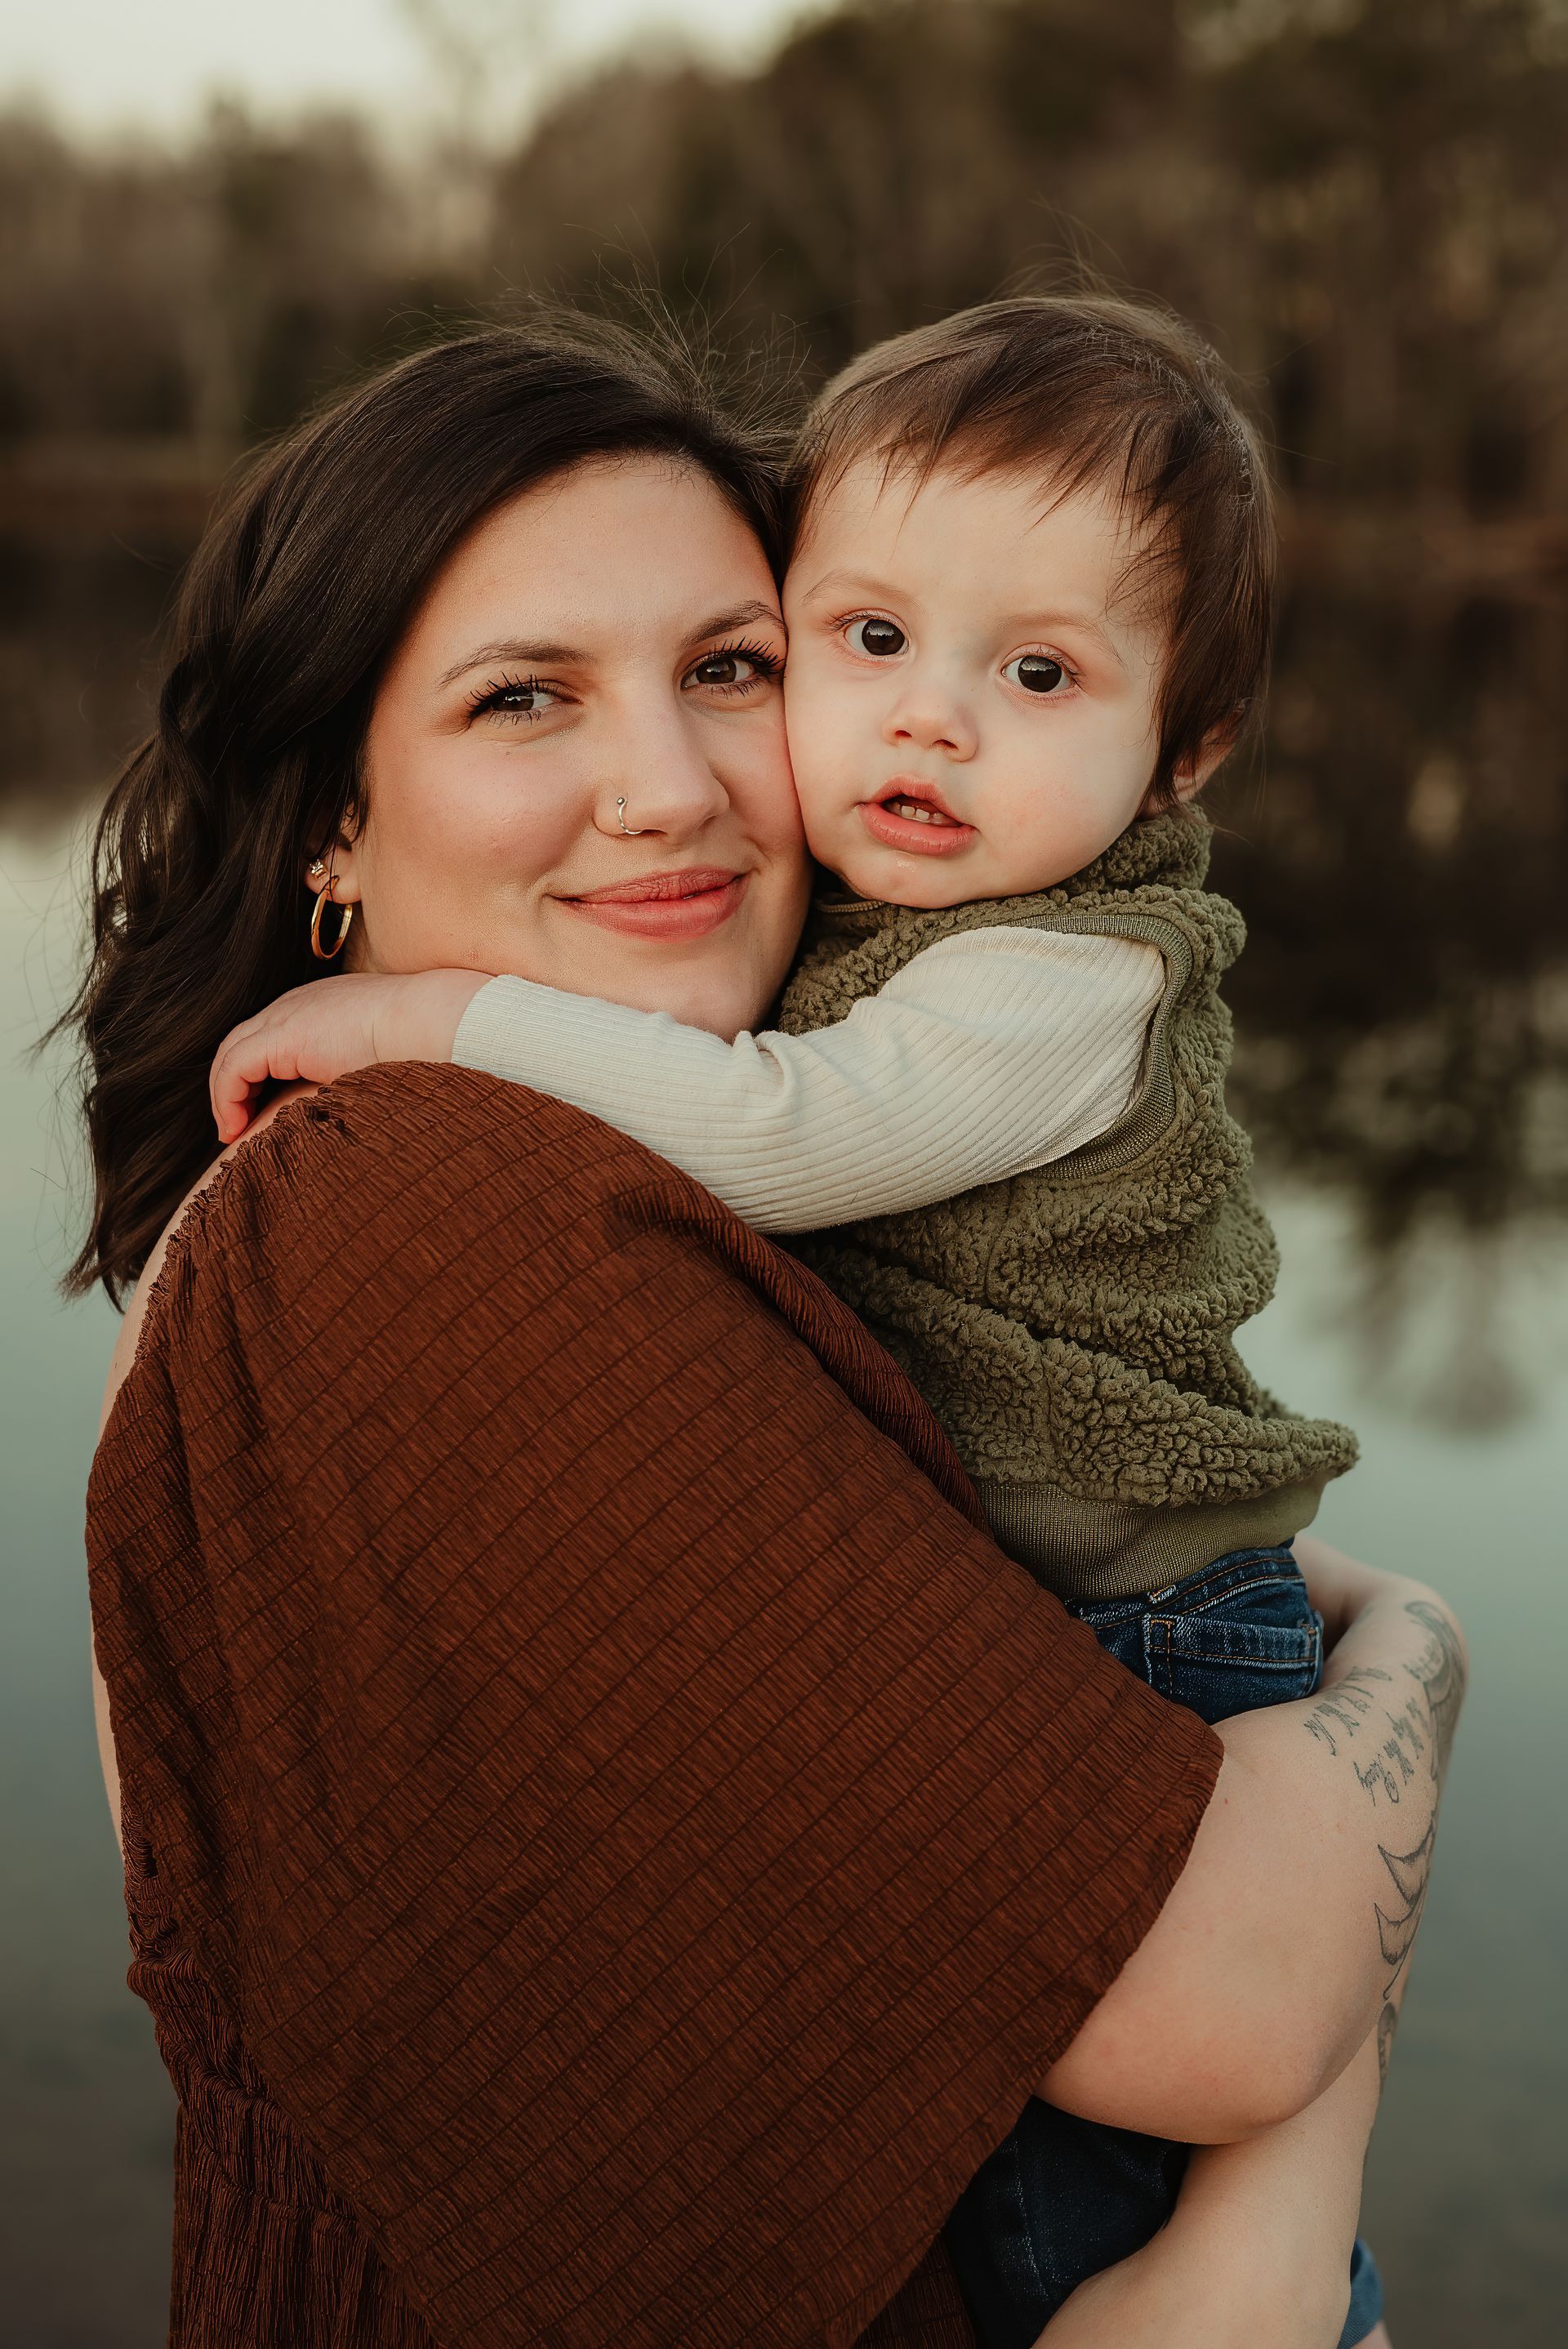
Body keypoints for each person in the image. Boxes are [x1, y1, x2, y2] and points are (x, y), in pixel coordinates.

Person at [77, 320, 1460, 2349]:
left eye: (731, 667)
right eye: (522, 696)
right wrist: (1421, 1653)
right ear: (332, 825)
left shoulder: (556, 1196)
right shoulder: (419, 1216)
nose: (670, 787)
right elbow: (1238, 2005)